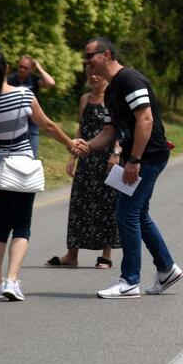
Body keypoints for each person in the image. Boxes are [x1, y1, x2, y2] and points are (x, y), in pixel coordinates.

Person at [0, 48, 86, 302]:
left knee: (1, 224)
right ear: (7, 69)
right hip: (22, 166)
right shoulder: (23, 95)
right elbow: (46, 124)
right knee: (22, 225)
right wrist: (69, 143)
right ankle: (12, 281)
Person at [84, 38, 183, 299]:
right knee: (138, 214)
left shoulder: (129, 80)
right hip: (140, 156)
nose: (86, 62)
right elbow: (109, 131)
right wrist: (86, 146)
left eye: (90, 56)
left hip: (148, 156)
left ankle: (129, 281)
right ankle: (166, 268)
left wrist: (134, 160)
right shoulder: (112, 89)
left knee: (126, 214)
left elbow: (146, 119)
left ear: (106, 54)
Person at [46, 69, 120, 269]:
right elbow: (81, 127)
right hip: (86, 157)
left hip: (106, 159)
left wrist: (116, 153)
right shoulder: (84, 99)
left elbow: (119, 129)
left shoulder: (113, 98)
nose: (94, 77)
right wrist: (72, 155)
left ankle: (106, 255)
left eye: (98, 74)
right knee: (79, 203)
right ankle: (72, 254)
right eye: (91, 74)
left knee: (106, 203)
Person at [7, 54, 56, 158]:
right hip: (15, 124)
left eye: (26, 68)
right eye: (20, 66)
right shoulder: (10, 79)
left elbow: (51, 83)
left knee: (32, 157)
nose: (22, 70)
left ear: (31, 69)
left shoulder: (34, 79)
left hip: (32, 124)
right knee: (13, 158)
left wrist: (38, 67)